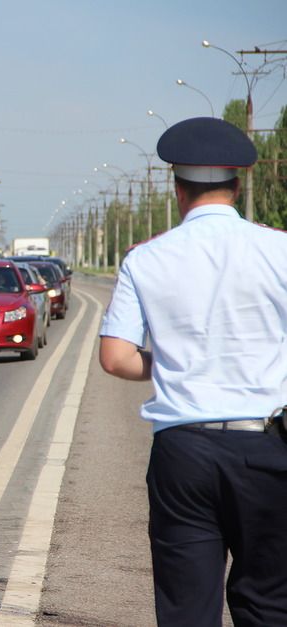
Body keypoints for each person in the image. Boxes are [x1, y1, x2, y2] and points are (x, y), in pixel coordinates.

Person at [98, 116, 287, 626]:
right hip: (269, 447)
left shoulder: (146, 258)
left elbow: (115, 357)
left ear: (177, 188)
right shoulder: (281, 250)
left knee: (187, 610)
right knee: (270, 603)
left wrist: (182, 364)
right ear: (238, 185)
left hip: (184, 452)